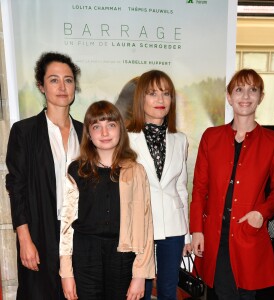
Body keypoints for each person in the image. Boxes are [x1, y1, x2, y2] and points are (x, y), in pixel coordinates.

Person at [190, 68, 274, 300]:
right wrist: (196, 230)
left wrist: (261, 213)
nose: (245, 96)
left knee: (246, 296)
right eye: (239, 90)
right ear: (229, 96)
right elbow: (199, 189)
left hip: (249, 235)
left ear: (261, 97)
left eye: (252, 90)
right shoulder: (211, 137)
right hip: (216, 238)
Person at [59, 100, 155, 300]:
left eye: (110, 125)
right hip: (85, 254)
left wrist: (139, 275)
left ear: (120, 129)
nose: (104, 133)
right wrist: (66, 272)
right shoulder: (76, 171)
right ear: (89, 134)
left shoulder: (136, 172)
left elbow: (146, 226)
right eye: (97, 127)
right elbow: (66, 225)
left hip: (122, 255)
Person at [5, 52, 83, 299]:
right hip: (40, 231)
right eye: (53, 80)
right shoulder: (24, 132)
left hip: (80, 234)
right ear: (41, 86)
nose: (62, 87)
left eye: (68, 80)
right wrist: (24, 238)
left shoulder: (86, 133)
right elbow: (16, 188)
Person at [127, 70, 191, 300]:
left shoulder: (180, 139)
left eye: (166, 93)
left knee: (168, 288)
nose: (160, 100)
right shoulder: (126, 138)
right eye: (152, 93)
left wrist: (187, 234)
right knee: (140, 289)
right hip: (140, 225)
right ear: (140, 98)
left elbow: (182, 187)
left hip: (174, 225)